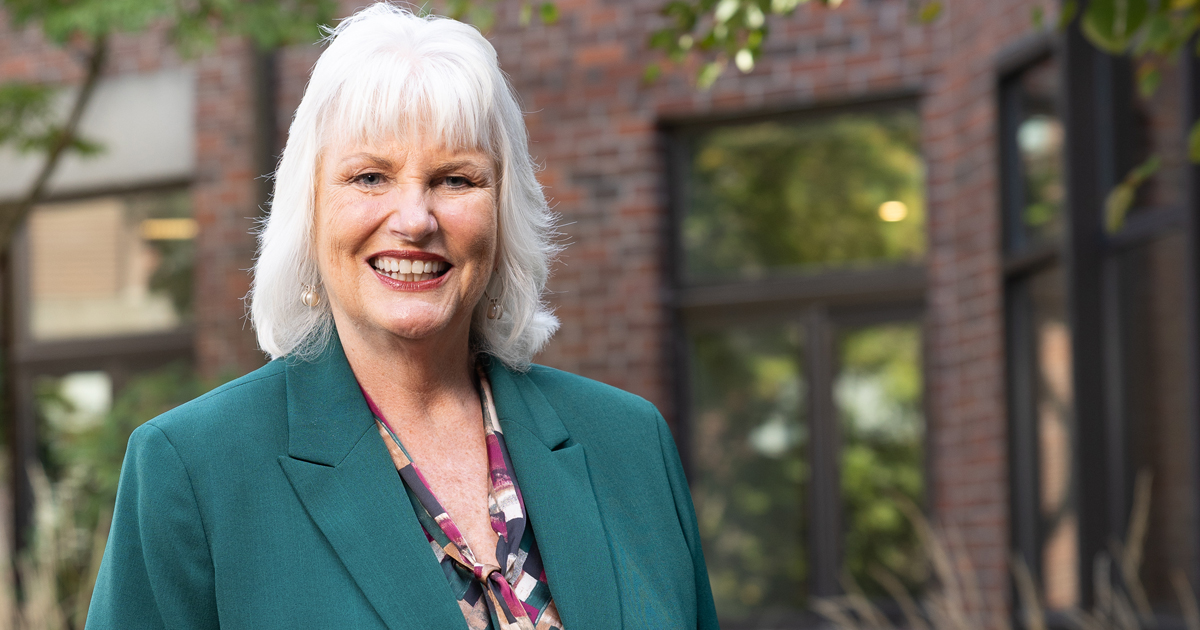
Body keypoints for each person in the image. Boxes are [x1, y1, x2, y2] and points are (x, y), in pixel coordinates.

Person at [85, 4, 718, 629]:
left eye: (456, 180)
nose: (415, 219)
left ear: (504, 213)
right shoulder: (193, 470)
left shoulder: (631, 443)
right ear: (309, 211)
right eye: (369, 177)